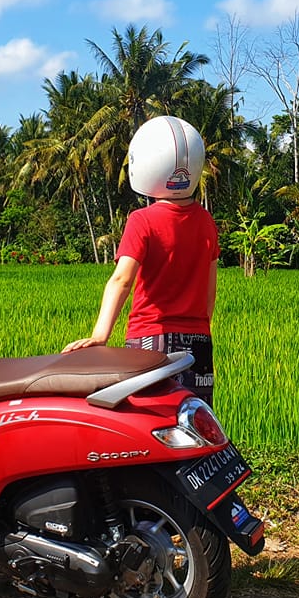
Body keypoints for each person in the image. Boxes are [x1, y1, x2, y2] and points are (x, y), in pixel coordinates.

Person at [62, 115, 219, 405]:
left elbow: (122, 279)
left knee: (153, 422)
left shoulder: (142, 220)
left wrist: (99, 335)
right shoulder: (207, 222)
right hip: (199, 342)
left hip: (151, 338)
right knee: (193, 422)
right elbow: (210, 293)